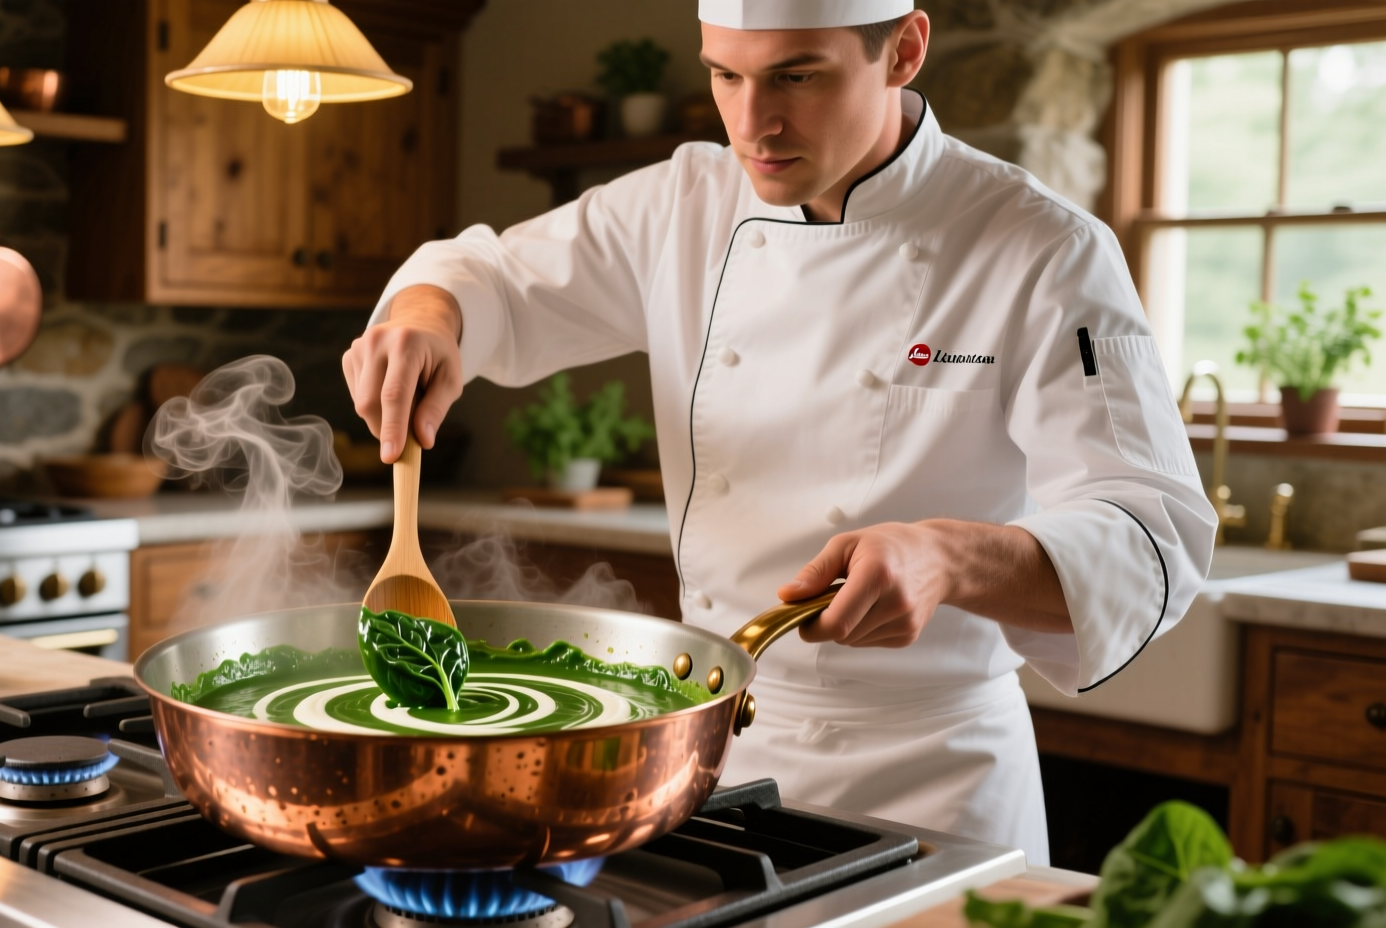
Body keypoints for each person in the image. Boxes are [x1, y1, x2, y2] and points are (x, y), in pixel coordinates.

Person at [341, 0, 1215, 863]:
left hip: (931, 784)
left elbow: (1155, 539)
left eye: (799, 76)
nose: (754, 123)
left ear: (904, 50)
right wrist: (428, 315)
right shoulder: (684, 200)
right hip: (711, 764)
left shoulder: (1041, 247)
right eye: (725, 74)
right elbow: (486, 271)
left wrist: (948, 557)